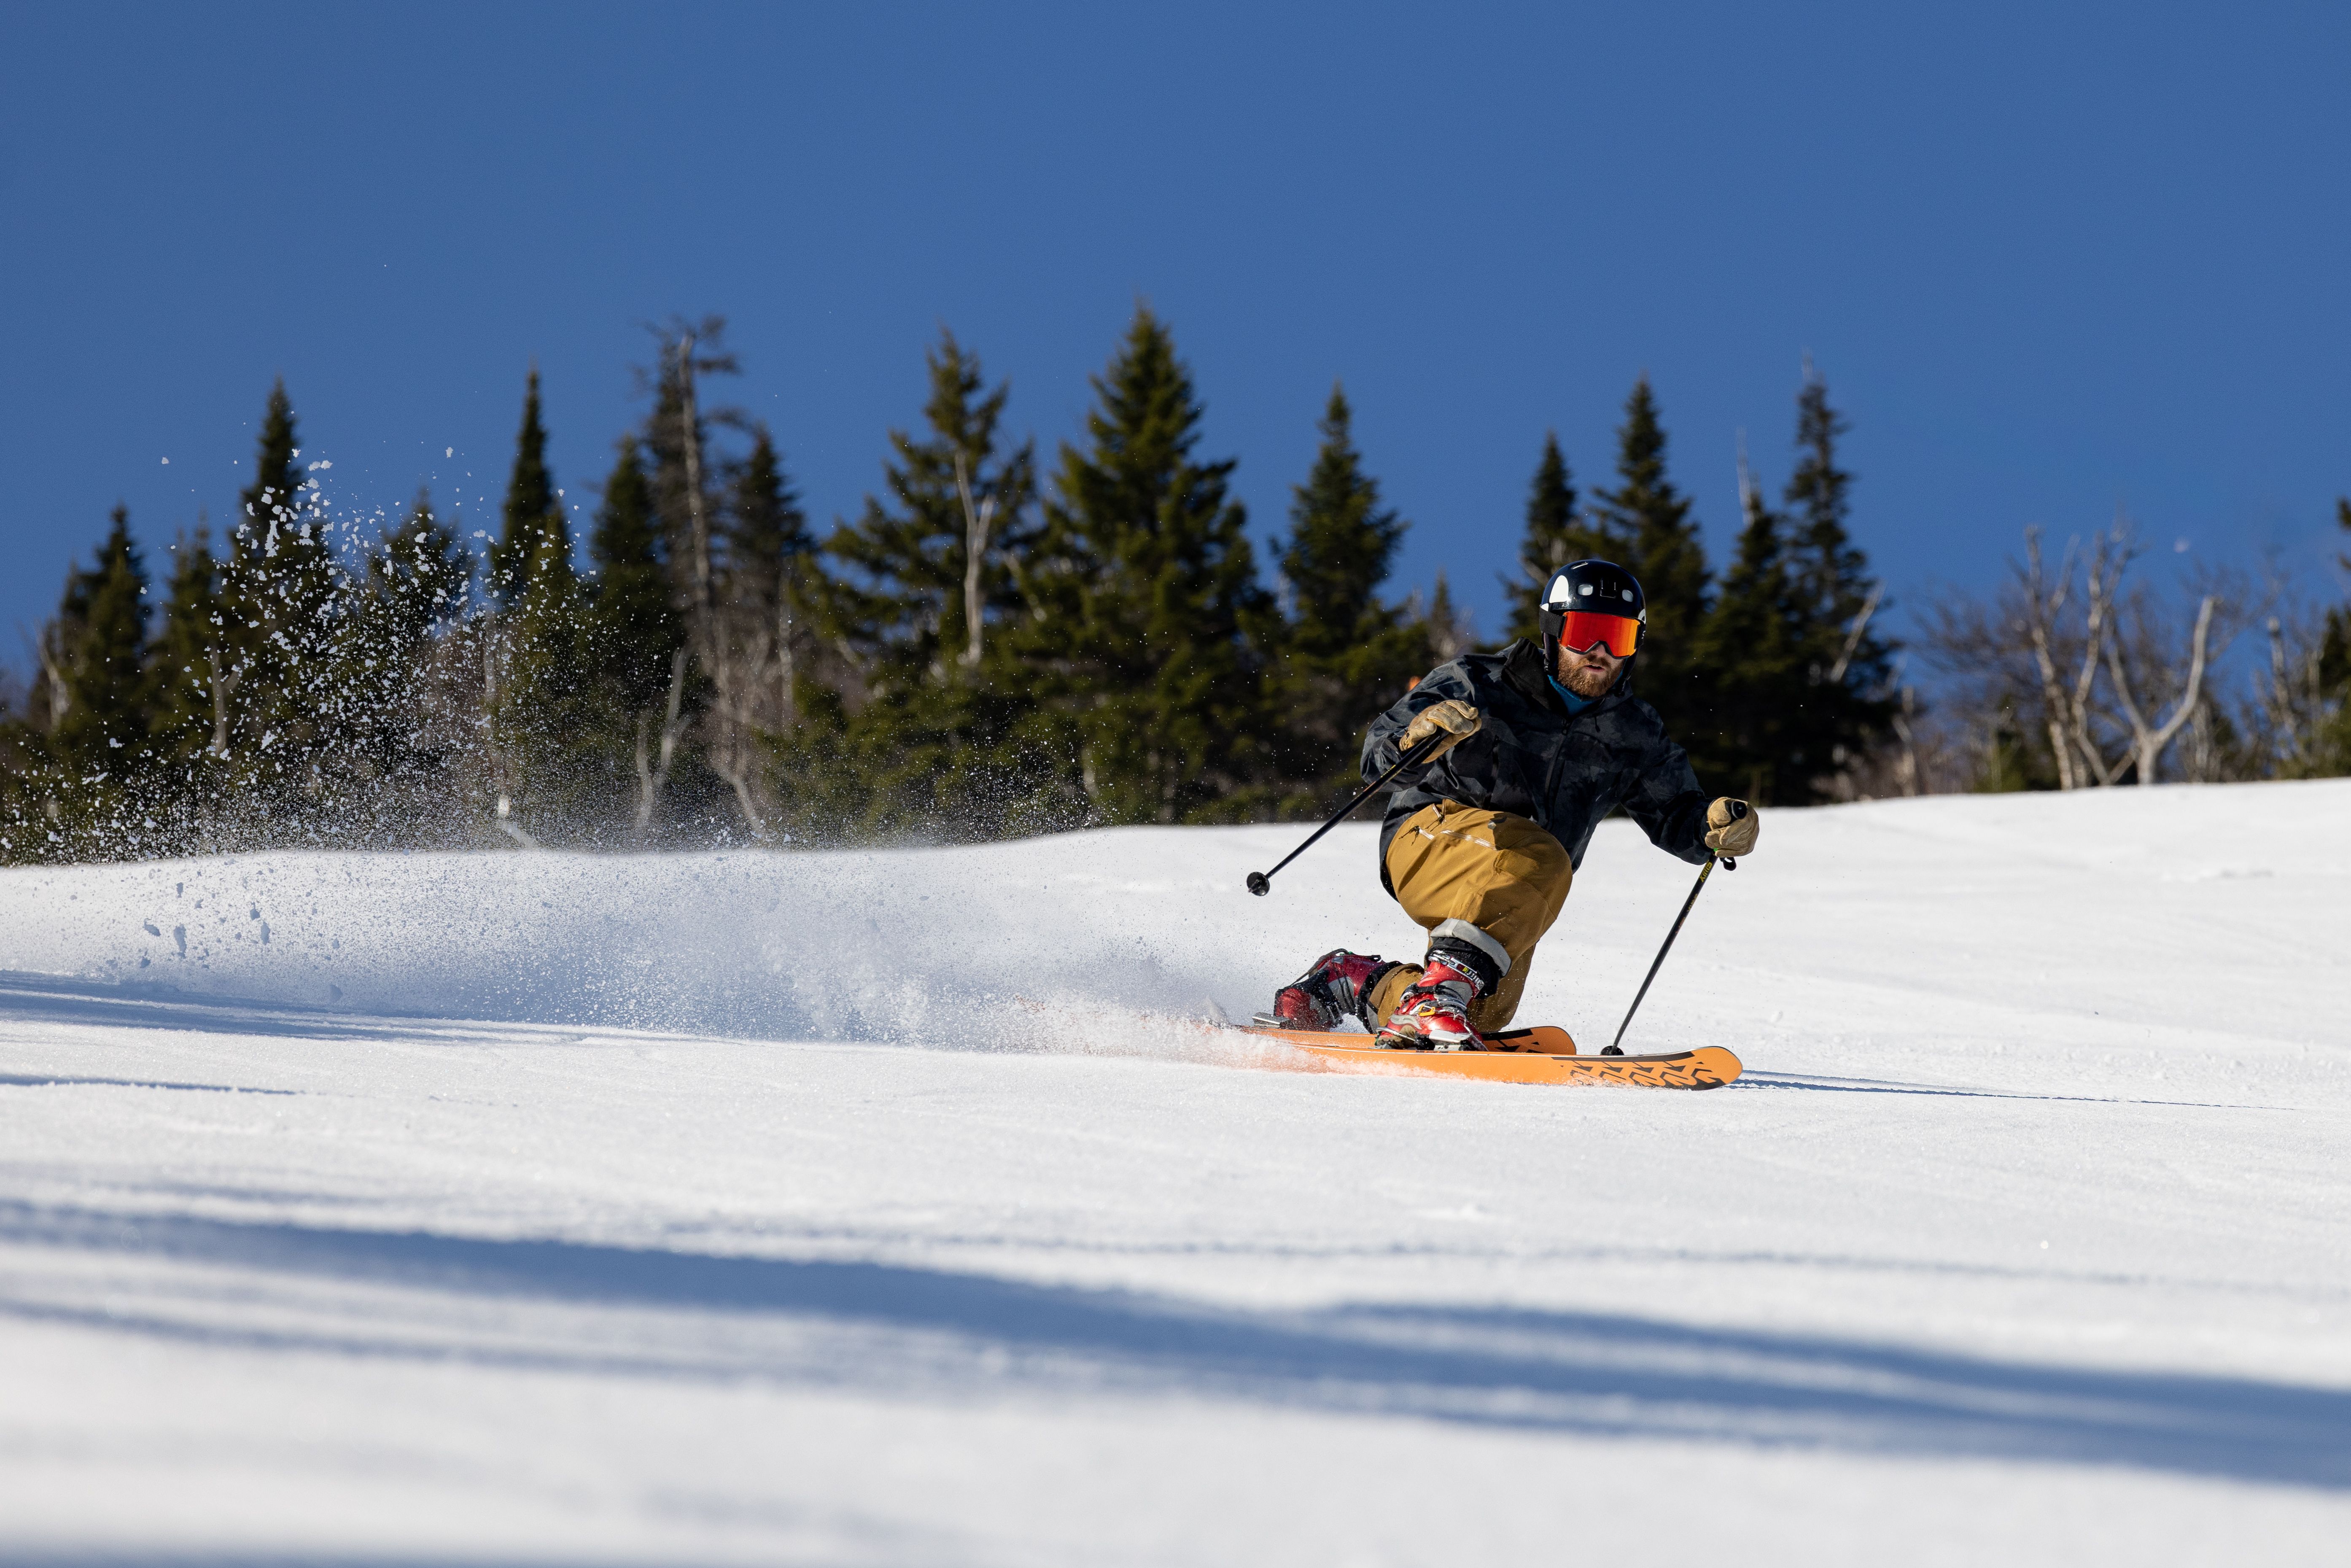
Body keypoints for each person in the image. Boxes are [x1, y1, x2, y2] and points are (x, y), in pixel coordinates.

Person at [1269, 559, 1759, 1051]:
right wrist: (1416, 738)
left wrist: (1712, 828)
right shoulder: (1480, 682)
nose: (1600, 652)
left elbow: (1678, 815)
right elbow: (1378, 755)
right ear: (1551, 631)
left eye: (1619, 638)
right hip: (1426, 840)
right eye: (1586, 632)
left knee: (1484, 1008)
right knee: (1541, 858)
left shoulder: (1631, 730)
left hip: (1518, 884)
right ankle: (1436, 999)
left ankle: (1352, 981)